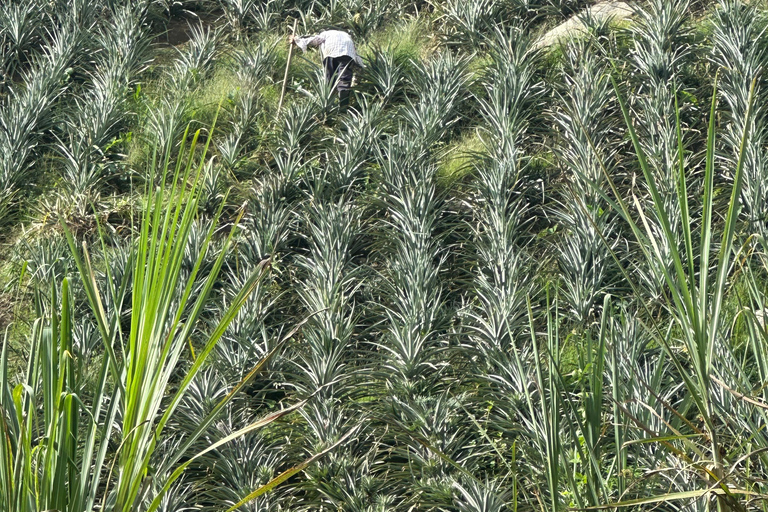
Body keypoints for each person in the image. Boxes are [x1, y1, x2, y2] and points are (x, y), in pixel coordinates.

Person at [288, 29, 363, 111]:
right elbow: (355, 53)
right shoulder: (347, 36)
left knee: (329, 81)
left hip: (331, 52)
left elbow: (315, 40)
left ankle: (328, 108)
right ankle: (343, 109)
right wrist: (361, 66)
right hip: (347, 53)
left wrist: (297, 40)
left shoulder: (325, 34)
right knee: (344, 81)